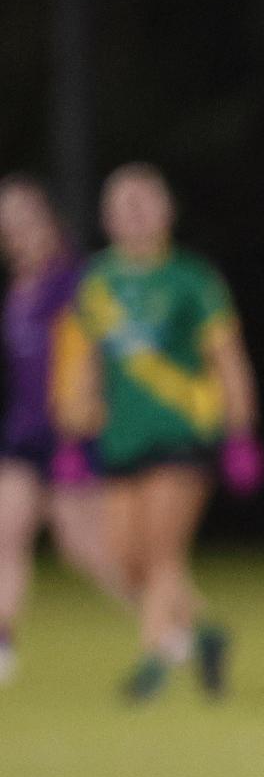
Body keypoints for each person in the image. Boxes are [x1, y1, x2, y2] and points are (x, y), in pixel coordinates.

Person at [54, 163, 262, 701]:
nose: (136, 213)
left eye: (145, 202)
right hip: (121, 436)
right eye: (124, 204)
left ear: (167, 210)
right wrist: (74, 435)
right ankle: (205, 633)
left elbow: (229, 359)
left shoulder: (193, 278)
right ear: (106, 217)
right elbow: (82, 365)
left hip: (184, 428)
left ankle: (153, 662)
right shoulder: (97, 282)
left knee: (164, 549)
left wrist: (240, 433)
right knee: (125, 558)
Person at [0, 174, 122, 683]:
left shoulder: (77, 280)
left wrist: (85, 424)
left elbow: (104, 354)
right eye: (6, 222)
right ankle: (2, 642)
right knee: (5, 535)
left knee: (84, 548)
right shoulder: (18, 290)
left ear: (48, 220)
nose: (16, 229)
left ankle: (176, 625)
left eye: (24, 217)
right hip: (24, 432)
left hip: (72, 431)